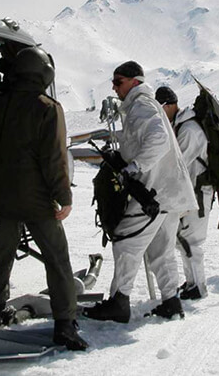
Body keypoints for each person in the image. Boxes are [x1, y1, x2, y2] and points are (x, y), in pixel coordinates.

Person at [0, 46, 87, 351]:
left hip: (3, 197)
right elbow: (54, 159)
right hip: (38, 200)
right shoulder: (48, 108)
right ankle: (65, 325)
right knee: (57, 259)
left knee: (1, 255)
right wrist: (64, 195)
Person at [83, 62, 197, 323]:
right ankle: (171, 302)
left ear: (135, 82)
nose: (114, 87)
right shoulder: (144, 104)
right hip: (167, 193)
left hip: (152, 192)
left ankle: (119, 302)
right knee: (161, 250)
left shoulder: (141, 105)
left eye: (119, 81)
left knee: (125, 240)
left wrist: (135, 166)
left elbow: (159, 139)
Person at [155, 85, 211, 298]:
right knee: (183, 239)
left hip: (198, 191)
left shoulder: (189, 130)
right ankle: (192, 283)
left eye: (161, 108)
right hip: (190, 191)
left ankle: (198, 287)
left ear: (170, 105)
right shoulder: (180, 126)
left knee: (192, 240)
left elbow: (180, 163)